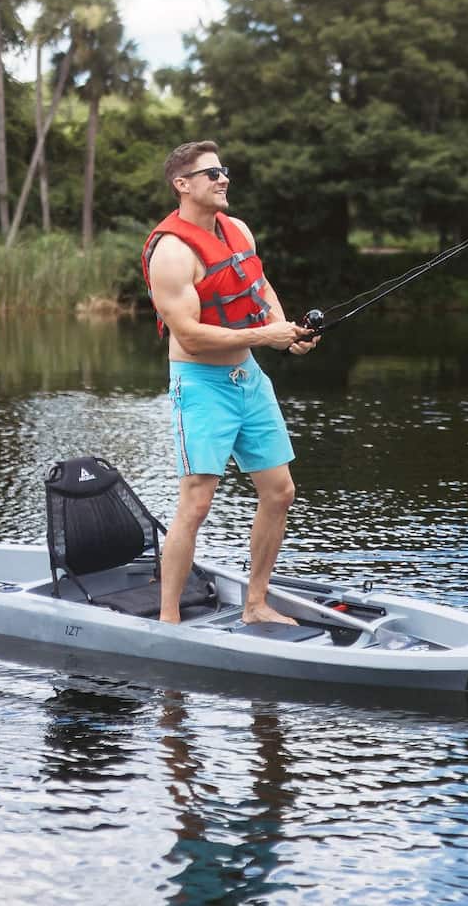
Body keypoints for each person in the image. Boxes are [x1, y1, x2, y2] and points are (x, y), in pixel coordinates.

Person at [141, 140, 318, 625]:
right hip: (200, 382)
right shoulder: (171, 253)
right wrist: (267, 335)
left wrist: (287, 332)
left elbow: (257, 287)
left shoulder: (237, 229)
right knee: (197, 501)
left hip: (248, 378)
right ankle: (169, 620)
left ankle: (256, 605)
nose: (223, 180)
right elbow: (192, 338)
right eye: (211, 173)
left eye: (224, 172)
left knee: (280, 490)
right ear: (183, 185)